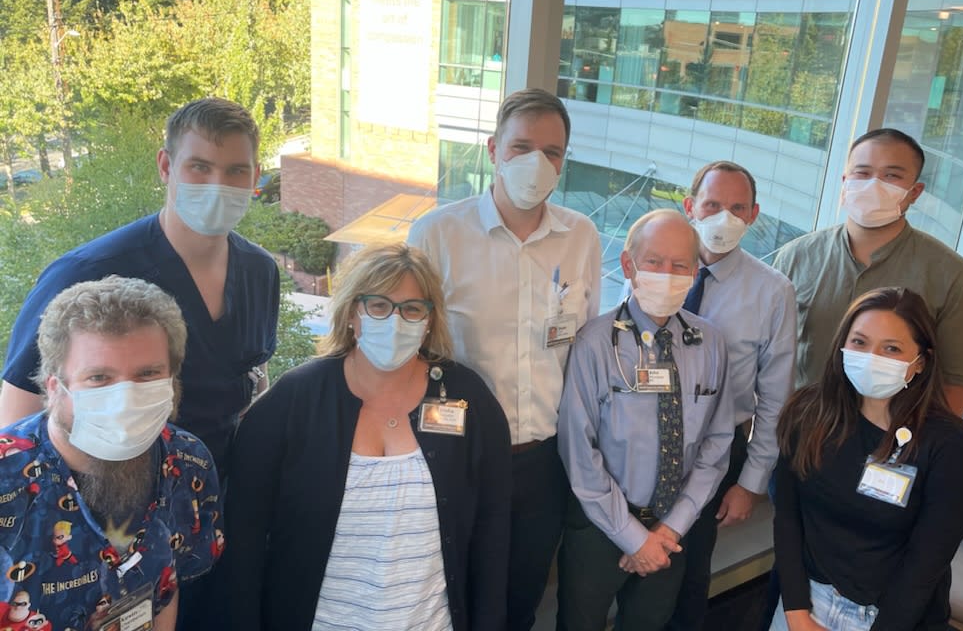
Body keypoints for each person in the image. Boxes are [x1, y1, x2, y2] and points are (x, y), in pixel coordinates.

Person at [221, 242, 512, 631]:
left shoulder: (468, 398)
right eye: (378, 305)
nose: (395, 321)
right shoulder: (292, 402)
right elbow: (245, 539)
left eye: (411, 309)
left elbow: (492, 531)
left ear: (429, 320)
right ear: (352, 314)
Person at [0, 96, 280, 473]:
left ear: (255, 175)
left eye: (235, 171)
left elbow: (255, 376)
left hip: (217, 499)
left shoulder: (260, 272)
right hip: (102, 505)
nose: (218, 186)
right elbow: (17, 421)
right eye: (200, 167)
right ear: (166, 166)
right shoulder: (85, 273)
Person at [408, 87, 602, 630]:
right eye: (521, 147)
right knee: (450, 594)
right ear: (493, 150)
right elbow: (411, 348)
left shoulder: (581, 237)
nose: (537, 163)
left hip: (543, 460)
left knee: (520, 599)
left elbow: (586, 348)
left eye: (552, 152)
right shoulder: (437, 234)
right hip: (456, 451)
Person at [0, 276, 222, 631]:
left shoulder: (188, 462)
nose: (126, 399)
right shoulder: (7, 479)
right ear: (55, 387)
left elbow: (167, 586)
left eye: (148, 374)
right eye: (100, 378)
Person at [556, 209, 733, 631]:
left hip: (674, 526)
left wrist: (670, 529)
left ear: (695, 271)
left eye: (679, 265)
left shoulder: (710, 344)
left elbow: (717, 444)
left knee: (649, 624)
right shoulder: (595, 344)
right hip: (600, 525)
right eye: (654, 262)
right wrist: (633, 538)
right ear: (628, 265)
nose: (666, 274)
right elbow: (579, 452)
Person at [772, 287, 963, 631]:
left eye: (891, 348)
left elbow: (923, 568)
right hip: (805, 599)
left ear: (920, 363)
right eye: (859, 342)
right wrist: (796, 612)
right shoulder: (808, 412)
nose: (871, 357)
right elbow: (787, 517)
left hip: (889, 615)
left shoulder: (954, 449)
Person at [772, 128, 963, 416]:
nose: (873, 185)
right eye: (862, 173)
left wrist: (922, 452)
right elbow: (770, 356)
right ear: (845, 182)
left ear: (915, 192)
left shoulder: (954, 277)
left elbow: (956, 385)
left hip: (891, 442)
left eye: (891, 176)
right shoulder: (796, 257)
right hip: (799, 430)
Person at [668, 161, 797, 631]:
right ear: (690, 207)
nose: (725, 217)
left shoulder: (773, 292)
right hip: (636, 438)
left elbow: (776, 396)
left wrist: (751, 483)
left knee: (689, 570)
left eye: (737, 208)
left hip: (717, 446)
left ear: (754, 214)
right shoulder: (652, 265)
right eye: (713, 205)